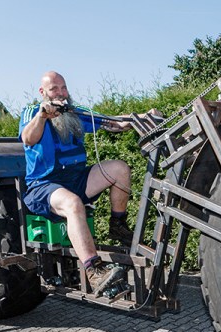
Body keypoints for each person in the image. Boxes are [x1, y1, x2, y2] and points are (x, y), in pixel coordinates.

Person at [19, 71, 136, 295]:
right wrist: (43, 116)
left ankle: (118, 226)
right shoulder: (32, 113)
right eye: (54, 89)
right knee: (73, 204)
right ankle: (94, 271)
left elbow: (113, 123)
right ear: (43, 93)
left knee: (119, 169)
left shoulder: (75, 113)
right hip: (43, 186)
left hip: (75, 180)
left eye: (63, 88)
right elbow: (28, 138)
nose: (61, 93)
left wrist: (138, 117)